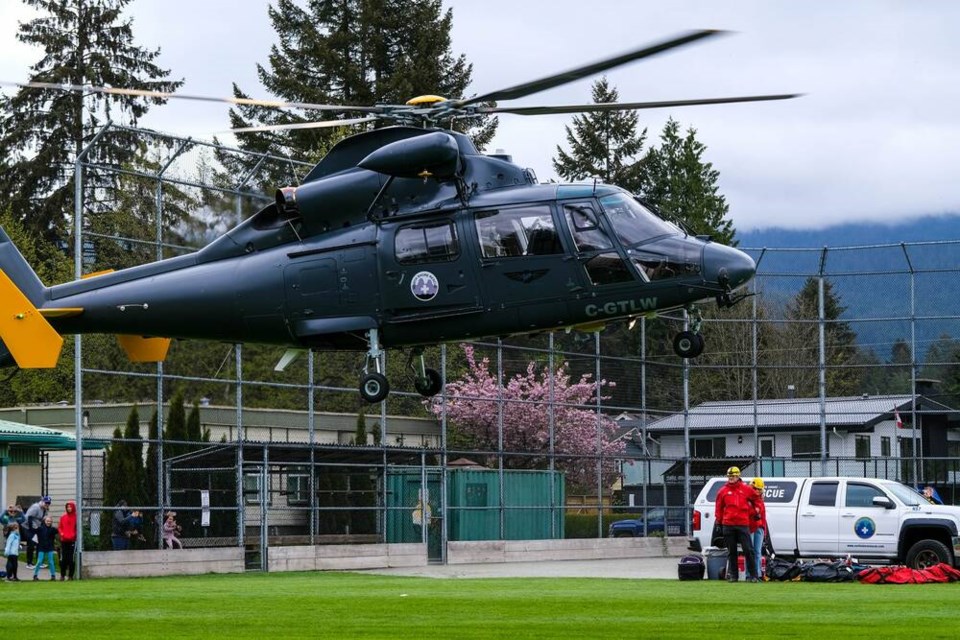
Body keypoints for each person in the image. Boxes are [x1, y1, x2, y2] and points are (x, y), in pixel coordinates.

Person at [714, 466, 758, 583]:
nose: (731, 478)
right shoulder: (722, 491)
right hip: (728, 524)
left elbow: (756, 499)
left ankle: (753, 575)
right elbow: (718, 508)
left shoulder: (746, 489)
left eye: (733, 476)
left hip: (743, 524)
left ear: (738, 476)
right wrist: (718, 522)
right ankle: (734, 575)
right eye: (729, 476)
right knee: (731, 551)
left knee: (748, 550)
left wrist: (755, 511)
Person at [749, 477, 769, 581]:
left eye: (759, 489)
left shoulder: (760, 500)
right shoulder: (747, 499)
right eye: (755, 488)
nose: (757, 491)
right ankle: (750, 575)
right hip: (750, 527)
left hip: (759, 527)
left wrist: (764, 531)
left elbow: (763, 517)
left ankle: (757, 574)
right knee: (750, 551)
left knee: (757, 552)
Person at [23, 496, 51, 568]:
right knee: (31, 544)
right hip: (28, 527)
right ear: (42, 501)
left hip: (37, 527)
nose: (47, 504)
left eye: (48, 503)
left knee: (40, 544)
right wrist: (32, 528)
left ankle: (39, 562)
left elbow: (42, 519)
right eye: (46, 503)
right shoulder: (35, 507)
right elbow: (28, 517)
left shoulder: (45, 509)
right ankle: (29, 563)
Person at [32, 515, 58, 581]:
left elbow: (60, 530)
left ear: (51, 522)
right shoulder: (40, 528)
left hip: (50, 547)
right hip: (41, 547)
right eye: (47, 521)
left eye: (50, 521)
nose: (48, 522)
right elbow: (32, 530)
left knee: (51, 562)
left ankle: (53, 575)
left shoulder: (53, 529)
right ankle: (35, 575)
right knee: (39, 561)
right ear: (44, 521)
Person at [58, 501, 77, 580]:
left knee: (71, 559)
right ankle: (62, 575)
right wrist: (61, 534)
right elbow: (59, 527)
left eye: (70, 507)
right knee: (63, 559)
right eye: (67, 507)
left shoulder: (76, 517)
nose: (69, 508)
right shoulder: (63, 517)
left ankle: (70, 576)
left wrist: (74, 535)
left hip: (72, 541)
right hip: (64, 540)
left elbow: (77, 528)